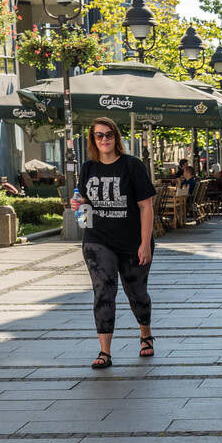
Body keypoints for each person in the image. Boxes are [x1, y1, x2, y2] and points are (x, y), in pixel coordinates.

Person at [71, 117, 156, 369]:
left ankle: (145, 335)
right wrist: (80, 214)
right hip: (98, 241)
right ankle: (105, 351)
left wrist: (145, 243)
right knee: (103, 293)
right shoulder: (87, 168)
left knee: (136, 293)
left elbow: (146, 206)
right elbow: (83, 203)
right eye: (99, 135)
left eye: (109, 134)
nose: (104, 139)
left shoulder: (132, 166)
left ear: (116, 137)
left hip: (132, 242)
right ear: (93, 140)